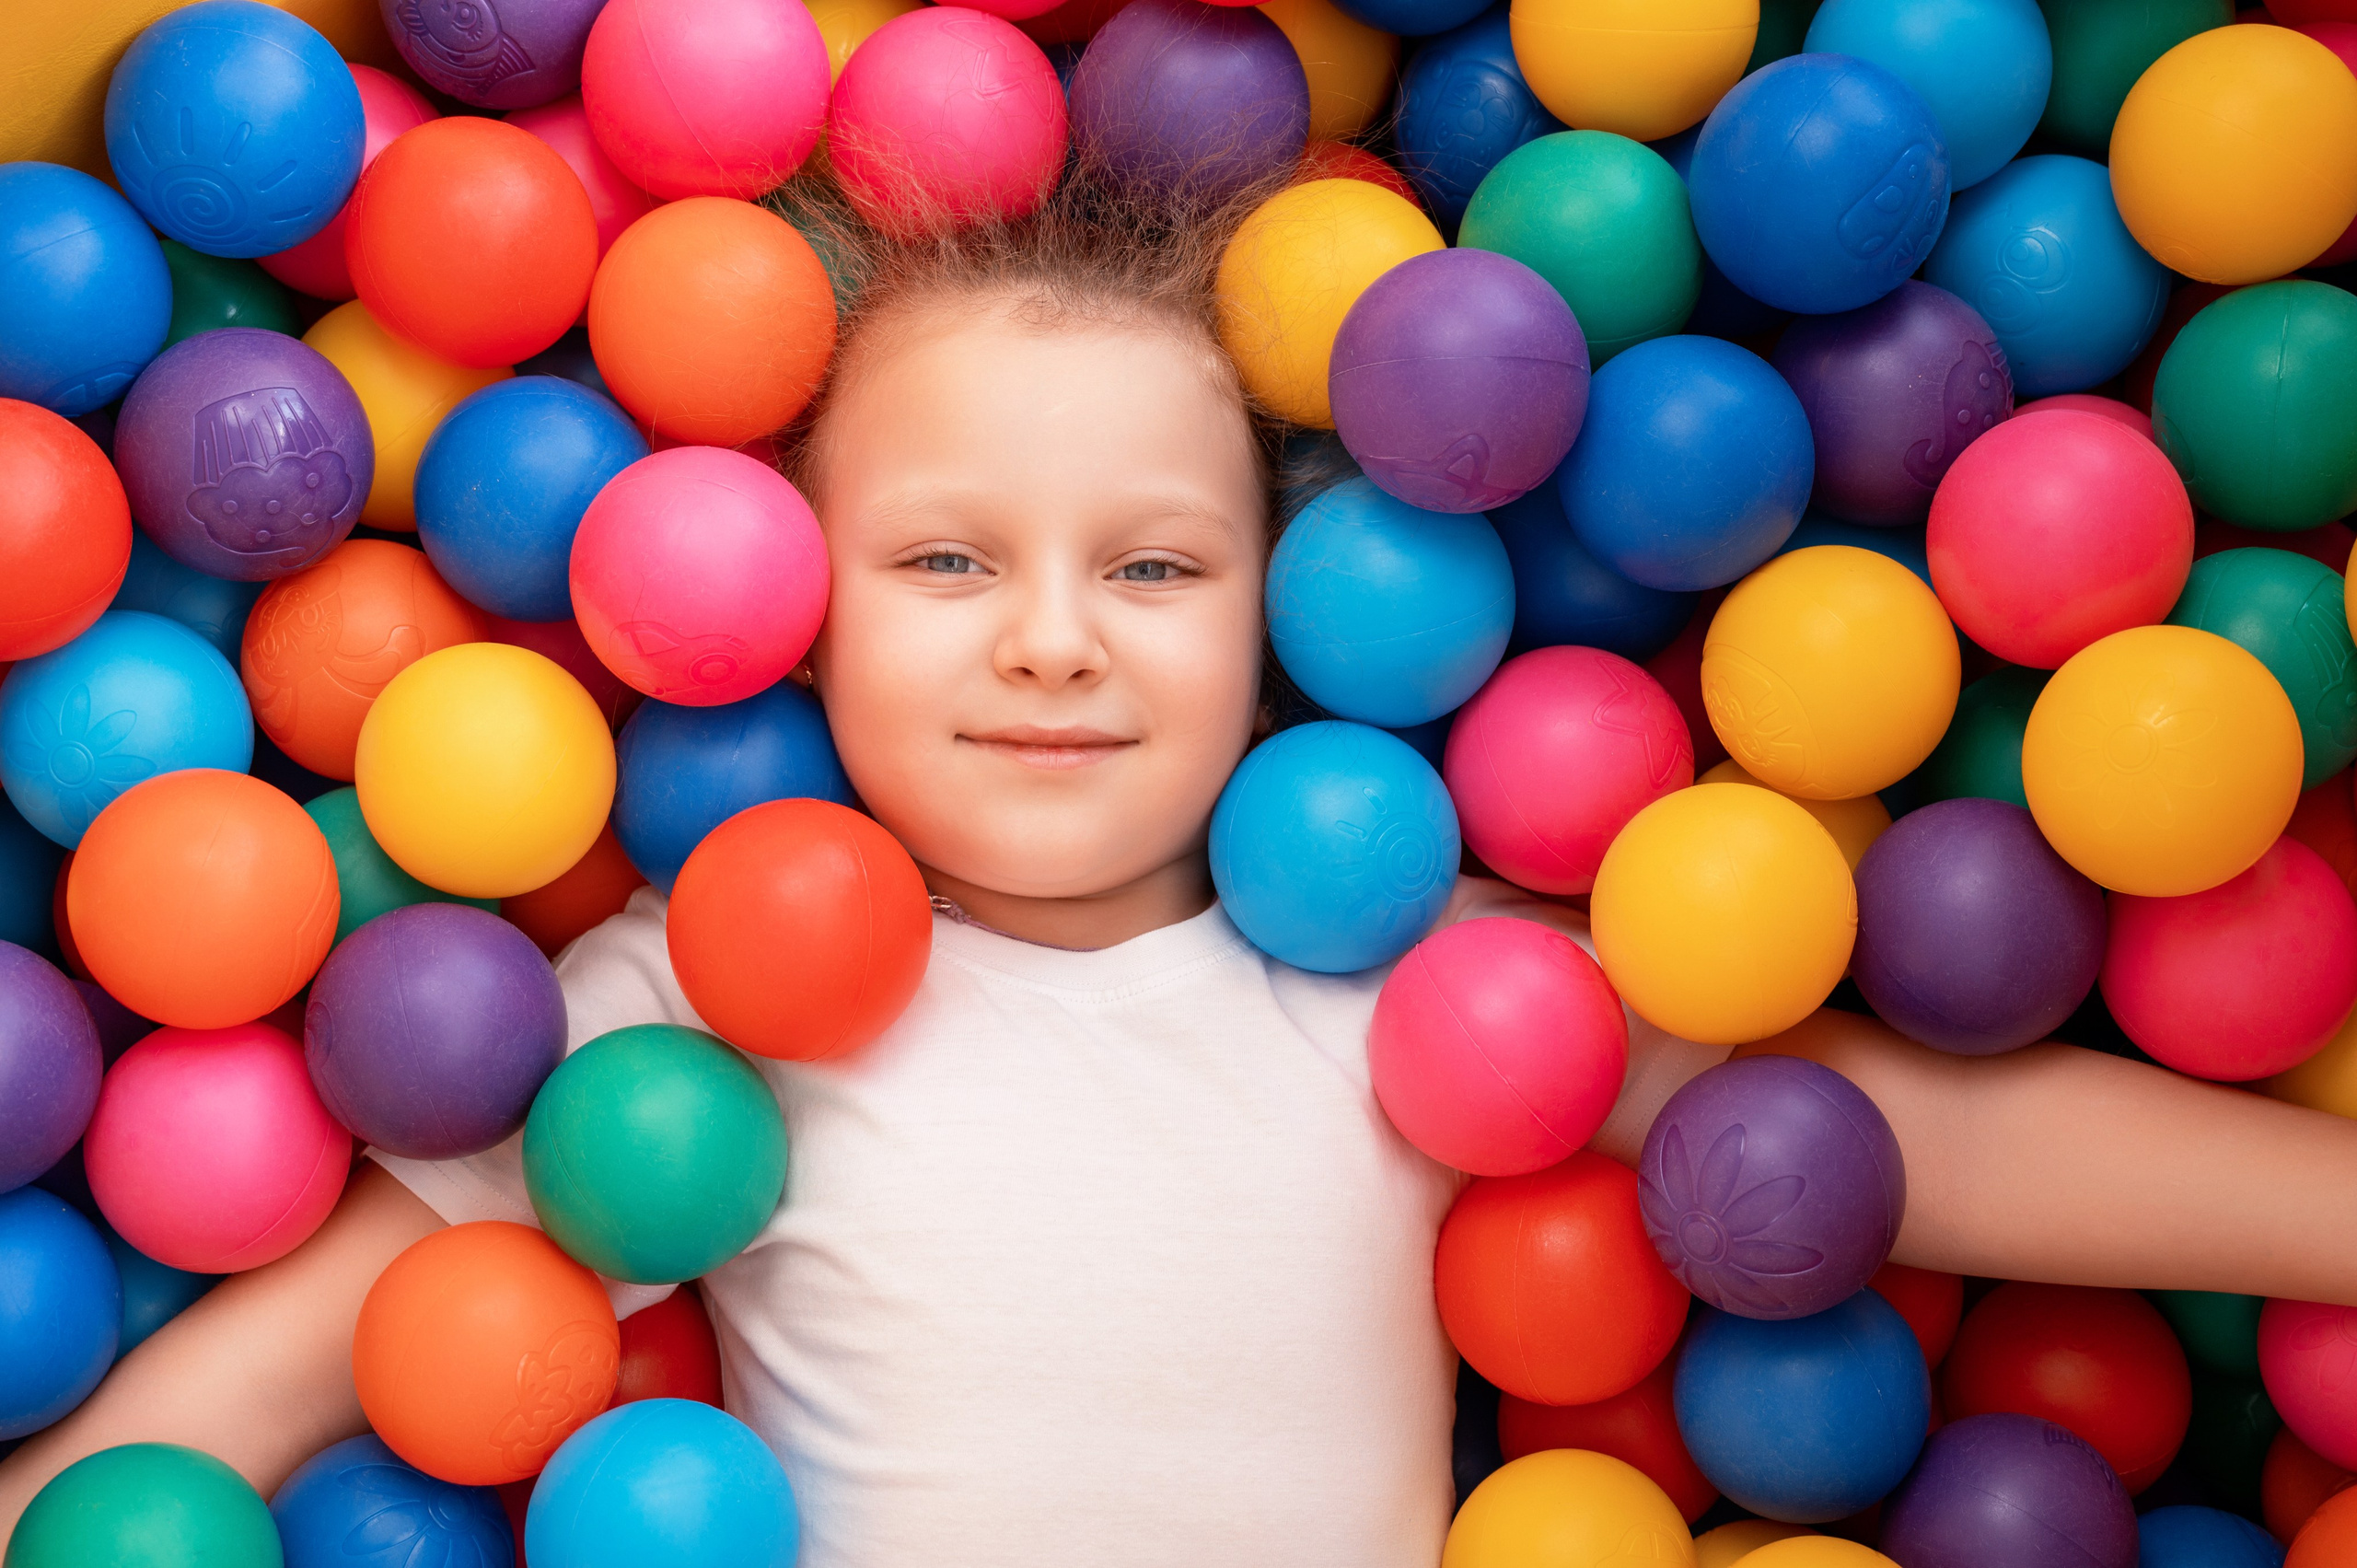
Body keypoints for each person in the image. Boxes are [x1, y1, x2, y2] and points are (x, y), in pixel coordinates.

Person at [7, 172, 2357, 1566]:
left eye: (1151, 571)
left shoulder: (1411, 983)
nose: (1048, 641)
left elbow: (1911, 1141)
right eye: (942, 559)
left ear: (1291, 624)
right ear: (785, 603)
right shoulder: (679, 1009)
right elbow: (240, 1399)